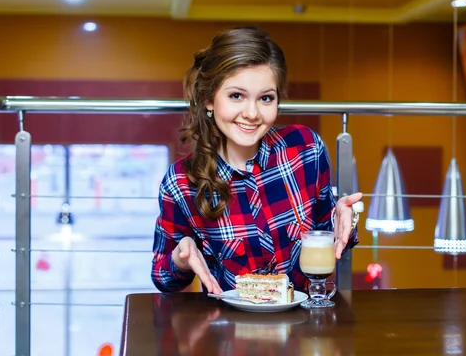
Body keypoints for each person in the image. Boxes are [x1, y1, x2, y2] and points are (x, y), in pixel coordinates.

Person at [151, 26, 362, 294]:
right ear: (209, 100)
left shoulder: (305, 148)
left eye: (265, 98)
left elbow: (326, 240)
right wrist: (180, 260)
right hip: (228, 331)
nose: (252, 113)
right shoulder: (181, 181)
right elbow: (162, 278)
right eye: (236, 96)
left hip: (303, 327)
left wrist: (343, 221)